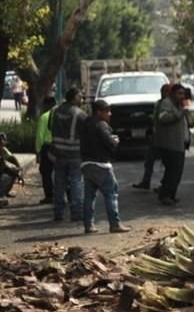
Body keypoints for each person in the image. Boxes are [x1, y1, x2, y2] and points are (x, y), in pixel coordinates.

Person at [79, 100, 130, 234]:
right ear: (99, 112)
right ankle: (115, 224)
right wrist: (115, 141)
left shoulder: (86, 123)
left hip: (86, 164)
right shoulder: (101, 125)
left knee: (89, 196)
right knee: (111, 193)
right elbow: (109, 142)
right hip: (101, 165)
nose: (110, 114)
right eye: (107, 111)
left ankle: (88, 225)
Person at [50, 87, 86, 222]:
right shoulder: (80, 114)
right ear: (74, 97)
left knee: (59, 183)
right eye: (80, 97)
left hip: (58, 153)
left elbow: (50, 128)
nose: (82, 99)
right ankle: (76, 212)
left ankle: (58, 212)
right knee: (76, 182)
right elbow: (86, 132)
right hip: (75, 154)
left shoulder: (56, 111)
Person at [154, 83, 190, 206]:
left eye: (183, 94)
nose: (182, 96)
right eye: (179, 93)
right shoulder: (166, 103)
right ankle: (164, 195)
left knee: (177, 172)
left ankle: (171, 195)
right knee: (172, 171)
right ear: (173, 94)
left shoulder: (179, 105)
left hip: (179, 144)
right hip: (170, 144)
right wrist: (179, 113)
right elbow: (163, 118)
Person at [132, 84, 170, 190]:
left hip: (165, 137)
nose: (163, 93)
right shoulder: (159, 103)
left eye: (166, 91)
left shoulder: (169, 104)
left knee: (166, 162)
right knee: (149, 159)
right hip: (156, 134)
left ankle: (165, 185)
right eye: (162, 91)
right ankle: (146, 181)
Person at [34, 95, 57, 204]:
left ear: (47, 105)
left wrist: (38, 151)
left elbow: (39, 136)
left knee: (46, 172)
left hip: (47, 147)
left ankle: (50, 195)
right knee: (62, 172)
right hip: (60, 146)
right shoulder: (60, 115)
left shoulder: (44, 117)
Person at [0, 132, 23, 206]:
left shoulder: (2, 150)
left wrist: (18, 170)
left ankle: (4, 193)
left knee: (13, 172)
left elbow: (12, 158)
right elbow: (3, 166)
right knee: (6, 174)